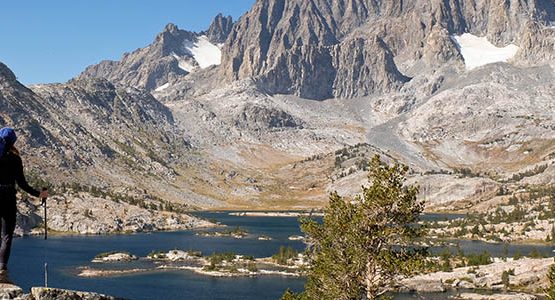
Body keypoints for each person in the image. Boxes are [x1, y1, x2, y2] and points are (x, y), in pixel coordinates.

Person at [0, 127, 48, 283]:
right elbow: (22, 184)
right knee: (7, 236)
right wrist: (39, 194)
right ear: (13, 141)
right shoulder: (15, 159)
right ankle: (2, 269)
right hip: (8, 198)